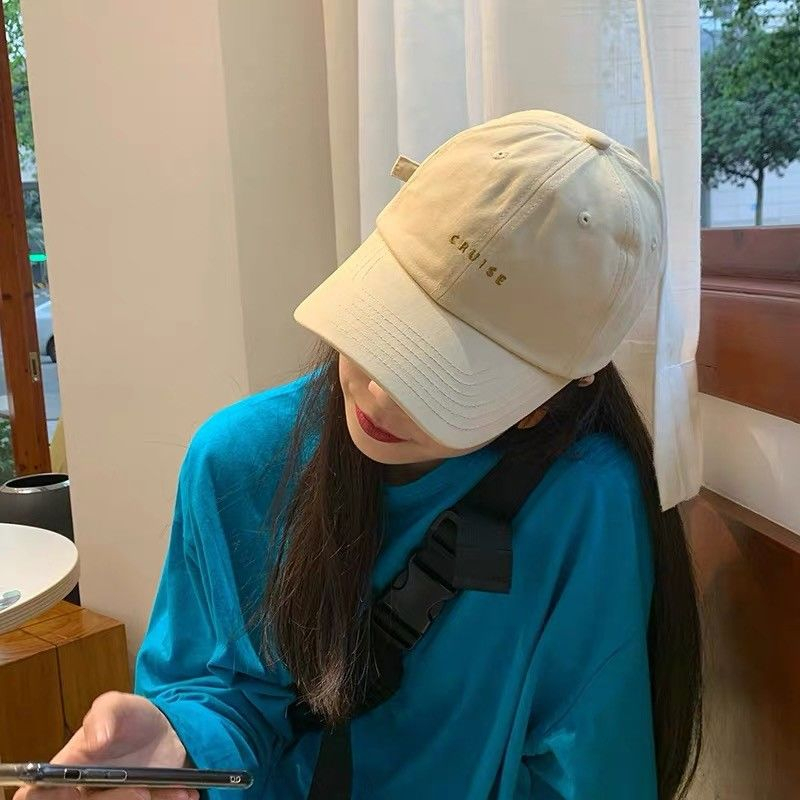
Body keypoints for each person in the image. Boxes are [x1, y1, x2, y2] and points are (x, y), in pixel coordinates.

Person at [15, 110, 702, 800]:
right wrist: (180, 739)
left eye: (447, 374)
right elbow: (231, 689)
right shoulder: (238, 460)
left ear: (546, 397)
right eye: (387, 324)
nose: (380, 390)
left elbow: (585, 765)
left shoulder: (586, 499)